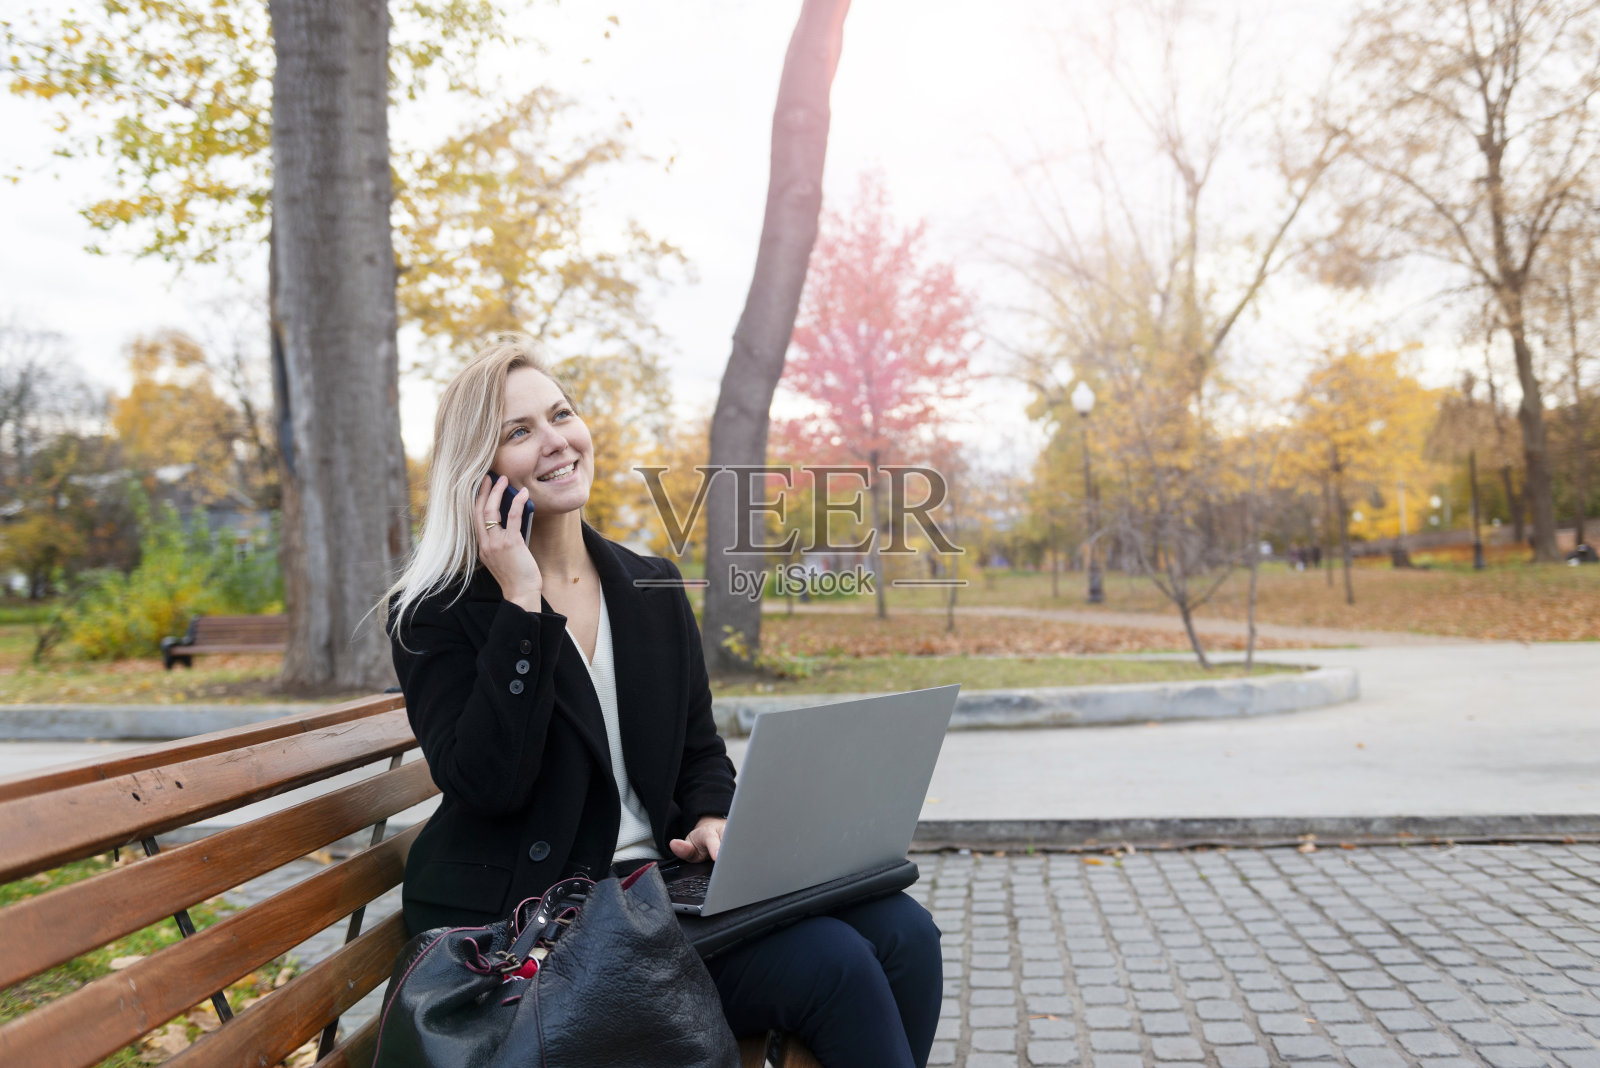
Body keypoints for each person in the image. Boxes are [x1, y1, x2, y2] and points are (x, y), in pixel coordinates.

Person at [384, 334, 943, 1068]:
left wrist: (712, 817)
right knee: (833, 965)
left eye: (561, 414)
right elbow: (489, 784)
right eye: (519, 432)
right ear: (478, 473)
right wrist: (521, 600)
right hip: (540, 925)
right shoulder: (436, 612)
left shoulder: (650, 585)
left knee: (906, 934)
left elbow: (698, 750)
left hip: (665, 892)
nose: (556, 442)